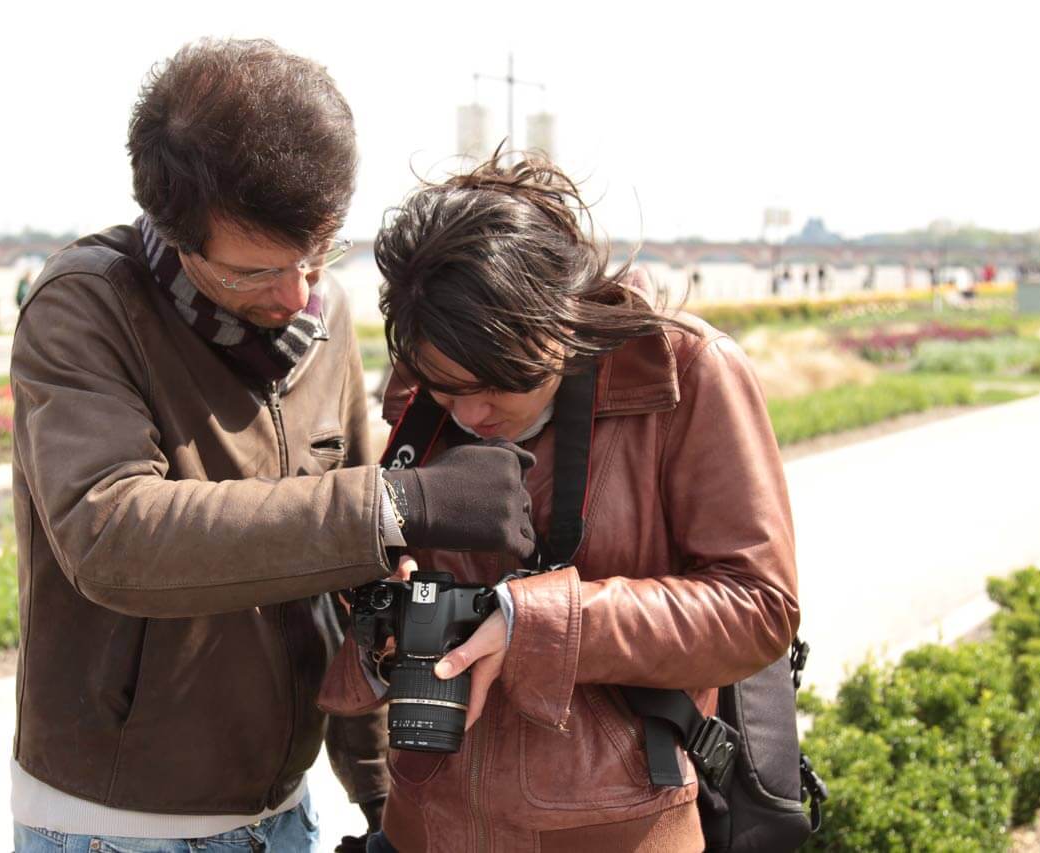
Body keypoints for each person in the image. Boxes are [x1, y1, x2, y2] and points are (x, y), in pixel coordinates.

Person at [9, 39, 537, 853]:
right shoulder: (86, 307)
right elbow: (110, 534)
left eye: (318, 253)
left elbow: (353, 578)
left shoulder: (322, 316)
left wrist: (383, 801)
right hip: (119, 830)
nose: (297, 294)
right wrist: (399, 502)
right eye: (258, 272)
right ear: (176, 230)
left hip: (285, 816)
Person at [320, 154, 800, 852]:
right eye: (448, 388)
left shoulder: (687, 370)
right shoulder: (426, 383)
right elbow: (382, 572)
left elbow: (760, 608)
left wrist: (534, 624)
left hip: (616, 828)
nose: (472, 409)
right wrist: (379, 603)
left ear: (560, 319)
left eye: (499, 383)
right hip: (426, 824)